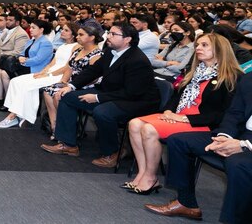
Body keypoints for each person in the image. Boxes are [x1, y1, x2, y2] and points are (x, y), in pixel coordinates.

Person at [126, 33, 240, 196]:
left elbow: (223, 114)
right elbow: (177, 95)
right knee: (134, 123)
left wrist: (184, 118)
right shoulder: (196, 71)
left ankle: (151, 178)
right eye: (198, 45)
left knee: (149, 129)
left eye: (204, 45)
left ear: (220, 50)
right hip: (179, 117)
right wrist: (168, 110)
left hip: (200, 124)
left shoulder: (232, 78)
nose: (198, 48)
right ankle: (142, 173)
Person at [41, 22, 160, 168]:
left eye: (113, 34)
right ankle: (68, 144)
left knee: (102, 112)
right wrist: (71, 86)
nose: (108, 36)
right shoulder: (111, 51)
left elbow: (131, 92)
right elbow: (93, 71)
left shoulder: (137, 60)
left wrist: (97, 98)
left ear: (127, 39)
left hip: (137, 101)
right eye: (109, 33)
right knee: (66, 96)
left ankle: (112, 152)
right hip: (113, 93)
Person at [144, 73, 252, 222]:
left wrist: (244, 145)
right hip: (240, 134)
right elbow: (234, 113)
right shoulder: (249, 78)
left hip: (248, 143)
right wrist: (224, 137)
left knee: (237, 164)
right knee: (178, 141)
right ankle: (186, 203)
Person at [0, 19, 60, 126]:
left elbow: (39, 60)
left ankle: (14, 107)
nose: (31, 30)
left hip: (35, 69)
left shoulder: (46, 43)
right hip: (26, 65)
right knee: (1, 72)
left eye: (34, 28)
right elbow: (21, 54)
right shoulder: (31, 41)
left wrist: (25, 61)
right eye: (31, 27)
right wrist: (20, 58)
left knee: (5, 74)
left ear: (41, 30)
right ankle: (10, 103)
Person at [41, 25, 103, 139]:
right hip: (73, 83)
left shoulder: (97, 55)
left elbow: (93, 78)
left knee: (58, 94)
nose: (77, 37)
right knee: (47, 90)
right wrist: (64, 81)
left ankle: (67, 130)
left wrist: (72, 86)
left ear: (92, 37)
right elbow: (69, 68)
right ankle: (55, 127)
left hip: (87, 86)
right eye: (78, 34)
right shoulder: (78, 49)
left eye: (81, 35)